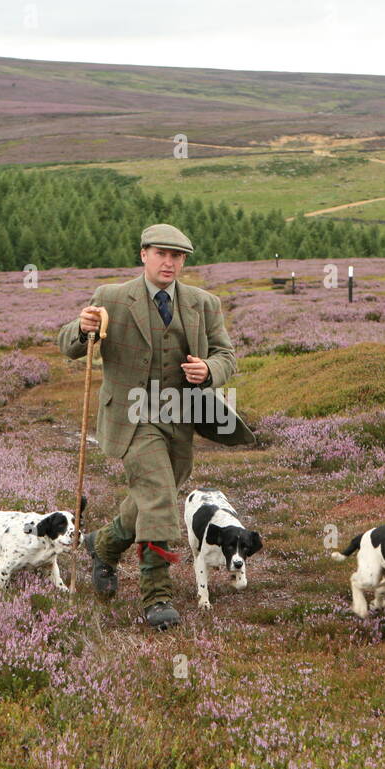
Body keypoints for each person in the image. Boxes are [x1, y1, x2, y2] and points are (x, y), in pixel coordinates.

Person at [57, 223, 254, 629]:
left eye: (177, 256)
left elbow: (226, 355)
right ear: (143, 254)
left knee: (157, 491)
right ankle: (156, 596)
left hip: (180, 413)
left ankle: (104, 545)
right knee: (160, 496)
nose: (170, 262)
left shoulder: (203, 303)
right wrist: (82, 329)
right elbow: (69, 346)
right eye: (161, 254)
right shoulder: (110, 297)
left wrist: (210, 369)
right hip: (131, 416)